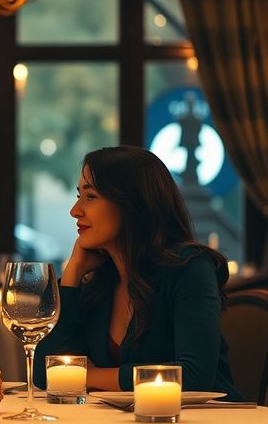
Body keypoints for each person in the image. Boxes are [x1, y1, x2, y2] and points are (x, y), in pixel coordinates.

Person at [33, 146, 243, 401]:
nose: (75, 211)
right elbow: (44, 376)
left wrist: (91, 376)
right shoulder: (99, 282)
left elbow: (194, 376)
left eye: (90, 196)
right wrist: (72, 275)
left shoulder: (190, 268)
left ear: (132, 203)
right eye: (79, 196)